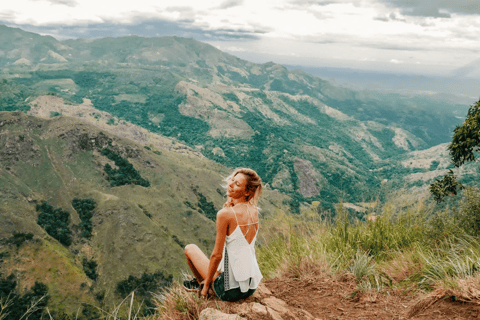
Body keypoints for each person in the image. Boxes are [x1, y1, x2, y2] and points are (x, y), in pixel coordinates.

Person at [183, 168, 263, 302]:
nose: (230, 184)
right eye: (232, 180)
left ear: (247, 192)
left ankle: (204, 287)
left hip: (229, 291)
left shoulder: (225, 214)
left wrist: (207, 284)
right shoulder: (254, 211)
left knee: (189, 249)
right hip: (250, 286)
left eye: (237, 184)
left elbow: (217, 255)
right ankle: (206, 283)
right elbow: (237, 252)